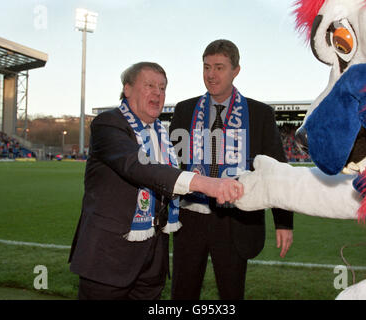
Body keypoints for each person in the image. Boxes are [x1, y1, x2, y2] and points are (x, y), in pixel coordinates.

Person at [68, 62, 244, 300]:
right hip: (108, 259)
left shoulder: (162, 133)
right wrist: (208, 184)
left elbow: (169, 182)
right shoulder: (108, 124)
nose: (158, 93)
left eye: (162, 88)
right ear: (127, 89)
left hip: (153, 262)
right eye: (149, 85)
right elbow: (138, 166)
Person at [169, 40, 294, 300]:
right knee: (182, 292)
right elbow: (169, 167)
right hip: (190, 217)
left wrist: (283, 222)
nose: (211, 74)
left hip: (234, 219)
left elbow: (277, 170)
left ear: (236, 70)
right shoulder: (184, 110)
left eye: (219, 67)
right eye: (206, 67)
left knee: (231, 293)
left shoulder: (259, 114)